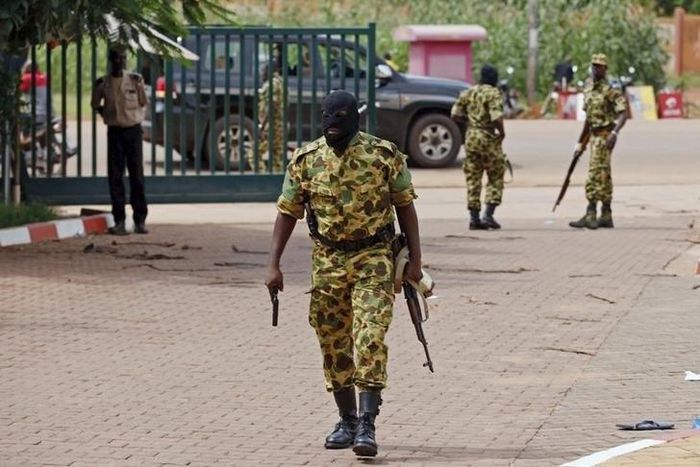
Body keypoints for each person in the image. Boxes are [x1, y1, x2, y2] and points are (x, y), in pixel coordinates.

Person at [265, 90, 423, 458]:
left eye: (339, 119)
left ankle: (368, 422)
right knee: (332, 341)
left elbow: (405, 208)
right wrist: (273, 264)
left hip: (374, 257)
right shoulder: (306, 159)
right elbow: (288, 212)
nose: (332, 126)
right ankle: (347, 418)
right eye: (327, 119)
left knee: (369, 334)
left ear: (355, 119)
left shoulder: (383, 155)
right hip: (328, 262)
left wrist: (415, 260)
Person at [91, 48, 149, 235]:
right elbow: (95, 104)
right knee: (115, 176)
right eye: (117, 58)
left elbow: (143, 102)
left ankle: (140, 220)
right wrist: (106, 114)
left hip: (132, 131)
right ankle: (119, 220)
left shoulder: (135, 80)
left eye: (123, 58)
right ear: (111, 60)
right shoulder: (103, 83)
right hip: (115, 132)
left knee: (136, 176)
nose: (121, 61)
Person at [569, 53, 627, 229]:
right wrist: (580, 143)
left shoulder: (610, 91)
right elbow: (588, 119)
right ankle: (606, 214)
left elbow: (624, 113)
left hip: (604, 137)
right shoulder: (588, 89)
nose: (596, 68)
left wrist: (614, 133)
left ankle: (591, 213)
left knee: (595, 174)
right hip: (593, 136)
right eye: (594, 65)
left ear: (605, 69)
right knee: (604, 175)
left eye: (600, 66)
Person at [450, 64, 507, 230]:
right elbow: (496, 117)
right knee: (496, 175)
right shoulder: (493, 93)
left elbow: (455, 114)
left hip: (472, 137)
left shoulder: (469, 92)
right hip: (488, 137)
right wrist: (502, 133)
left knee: (473, 178)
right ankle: (488, 215)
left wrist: (470, 122)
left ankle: (474, 218)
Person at [248, 64, 285, 172]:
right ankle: (277, 181)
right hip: (280, 124)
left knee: (253, 154)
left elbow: (271, 106)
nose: (261, 74)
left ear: (269, 71)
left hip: (271, 125)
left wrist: (262, 126)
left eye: (263, 70)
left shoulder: (271, 85)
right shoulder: (281, 83)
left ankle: (262, 178)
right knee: (277, 158)